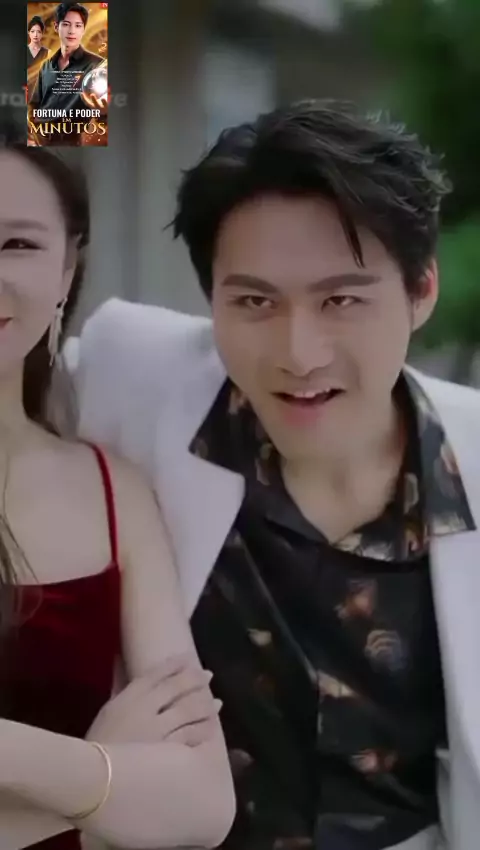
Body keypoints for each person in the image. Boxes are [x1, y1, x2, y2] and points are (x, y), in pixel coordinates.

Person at [61, 100, 480, 850]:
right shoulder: (129, 375)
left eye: (341, 299)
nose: (299, 354)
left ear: (421, 291)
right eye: (255, 301)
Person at [0, 123, 234, 850]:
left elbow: (203, 803)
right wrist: (103, 768)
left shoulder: (113, 491)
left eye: (18, 244)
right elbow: (148, 791)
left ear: (67, 271)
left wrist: (39, 765)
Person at [29, 3, 102, 119]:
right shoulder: (46, 66)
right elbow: (34, 105)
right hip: (43, 129)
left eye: (78, 26)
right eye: (66, 24)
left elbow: (102, 109)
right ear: (56, 27)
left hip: (76, 129)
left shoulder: (97, 65)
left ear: (83, 29)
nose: (72, 31)